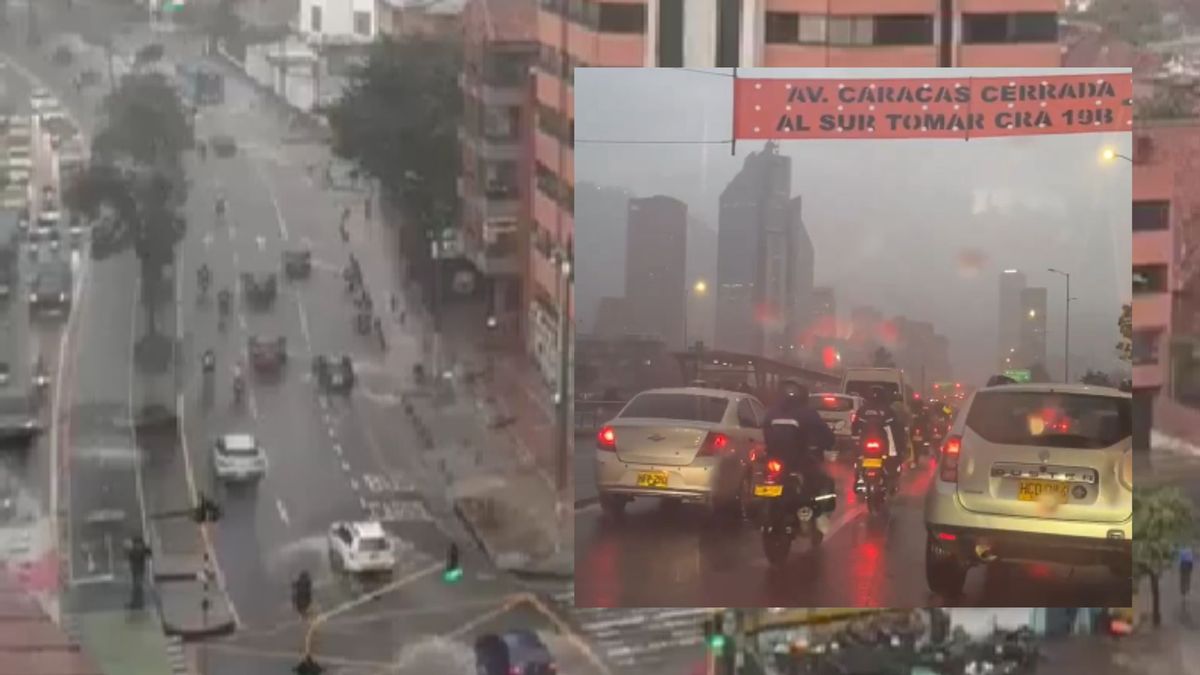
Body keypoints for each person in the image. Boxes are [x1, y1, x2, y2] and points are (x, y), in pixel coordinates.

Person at [762, 380, 836, 499]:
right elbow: (824, 433)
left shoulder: (772, 411)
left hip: (774, 458)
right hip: (800, 459)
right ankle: (816, 510)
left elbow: (765, 432)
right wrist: (829, 442)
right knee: (822, 482)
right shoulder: (808, 413)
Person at [855, 386, 905, 493]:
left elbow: (855, 427)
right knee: (892, 458)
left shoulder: (863, 410)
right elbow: (895, 429)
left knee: (858, 457)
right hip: (883, 443)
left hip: (865, 442)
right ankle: (890, 481)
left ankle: (859, 477)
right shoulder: (888, 410)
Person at [126, 535, 152, 609]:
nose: (137, 545)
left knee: (138, 585)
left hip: (139, 570)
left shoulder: (140, 550)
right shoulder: (133, 551)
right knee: (136, 585)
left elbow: (149, 553)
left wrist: (145, 548)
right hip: (135, 570)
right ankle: (136, 602)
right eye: (136, 544)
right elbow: (131, 558)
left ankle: (138, 602)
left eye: (138, 544)